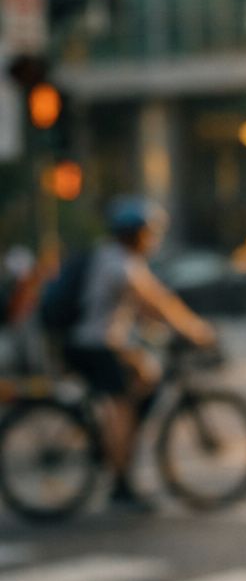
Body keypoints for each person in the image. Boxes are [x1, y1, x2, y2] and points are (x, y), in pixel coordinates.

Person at [64, 197, 218, 507]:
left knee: (146, 376)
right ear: (136, 234)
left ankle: (113, 445)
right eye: (151, 232)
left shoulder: (114, 258)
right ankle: (120, 484)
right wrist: (195, 330)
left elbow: (139, 308)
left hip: (100, 341)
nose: (154, 239)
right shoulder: (119, 263)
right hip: (92, 344)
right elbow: (155, 302)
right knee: (123, 406)